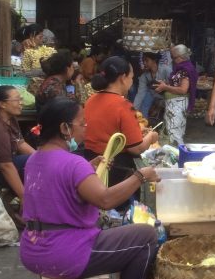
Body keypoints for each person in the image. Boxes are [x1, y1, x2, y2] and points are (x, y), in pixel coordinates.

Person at [20, 98, 162, 279]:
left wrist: (88, 168)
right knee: (146, 235)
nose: (86, 128)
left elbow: (61, 188)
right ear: (64, 128)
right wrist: (140, 176)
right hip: (64, 255)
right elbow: (105, 200)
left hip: (32, 251)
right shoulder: (74, 164)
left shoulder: (34, 159)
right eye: (82, 124)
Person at [84, 57, 159, 192]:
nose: (132, 81)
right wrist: (151, 136)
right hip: (114, 168)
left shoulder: (91, 100)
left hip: (91, 163)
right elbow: (136, 148)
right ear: (123, 78)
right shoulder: (123, 106)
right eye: (131, 77)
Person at [0, 85, 35, 200]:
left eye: (21, 99)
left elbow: (19, 143)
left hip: (8, 162)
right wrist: (23, 197)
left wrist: (44, 158)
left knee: (38, 161)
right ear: (2, 104)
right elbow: (5, 165)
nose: (21, 103)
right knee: (31, 165)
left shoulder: (10, 119)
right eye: (17, 100)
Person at [156, 44, 198, 147]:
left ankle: (178, 153)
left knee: (175, 133)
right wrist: (166, 84)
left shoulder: (185, 69)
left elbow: (183, 90)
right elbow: (177, 84)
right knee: (174, 131)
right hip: (175, 105)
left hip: (178, 105)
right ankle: (177, 152)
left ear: (181, 57)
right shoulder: (181, 68)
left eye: (173, 57)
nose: (172, 60)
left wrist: (165, 87)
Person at [133, 51, 172, 118]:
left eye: (146, 60)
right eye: (143, 60)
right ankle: (143, 122)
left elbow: (174, 87)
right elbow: (140, 94)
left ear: (154, 60)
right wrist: (133, 110)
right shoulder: (144, 76)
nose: (144, 63)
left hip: (169, 96)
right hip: (153, 94)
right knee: (144, 104)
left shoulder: (166, 70)